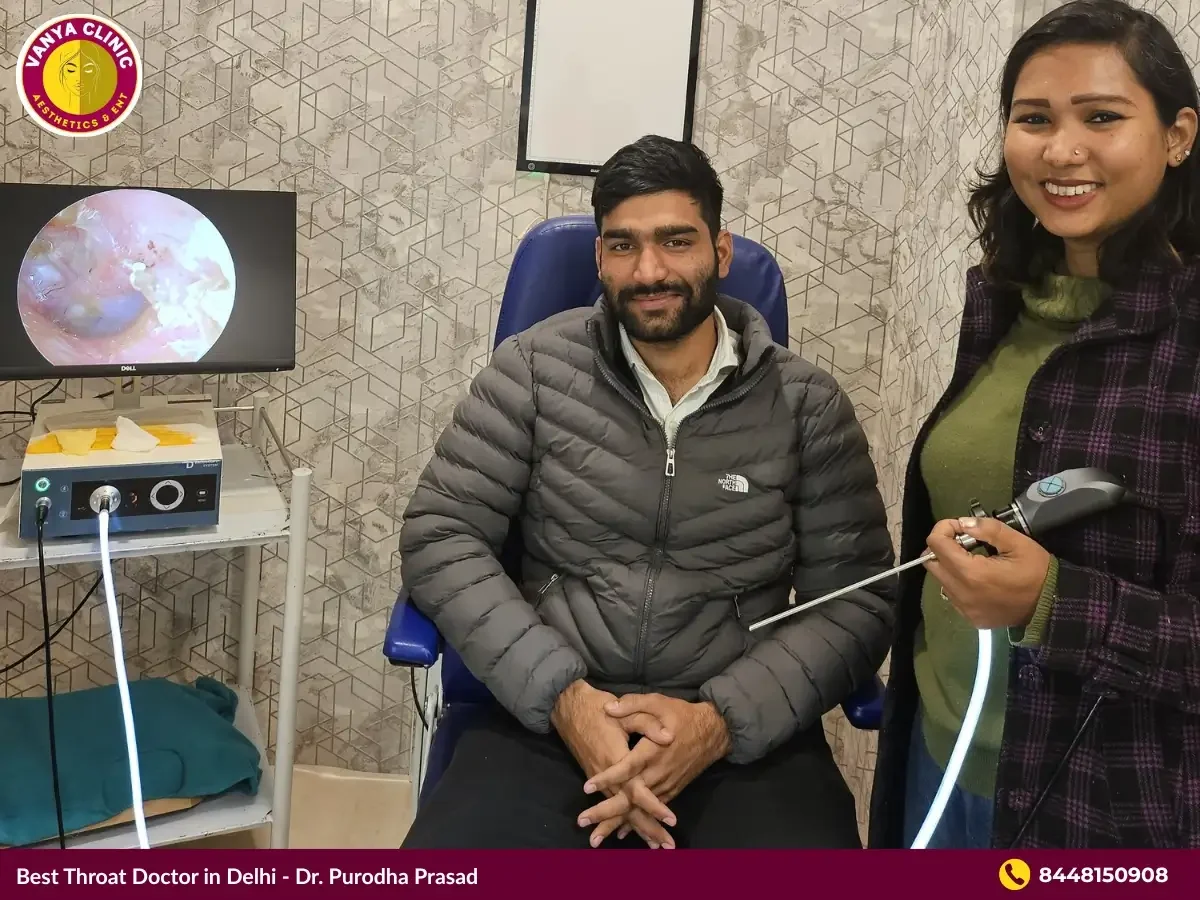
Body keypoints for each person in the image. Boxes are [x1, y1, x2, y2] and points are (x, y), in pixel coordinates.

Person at [398, 135, 896, 849]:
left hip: (734, 731)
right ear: (599, 258)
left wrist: (717, 722)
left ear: (719, 253)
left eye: (675, 241)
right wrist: (567, 701)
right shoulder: (533, 371)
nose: (650, 270)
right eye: (623, 246)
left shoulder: (808, 405)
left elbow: (857, 598)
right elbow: (440, 533)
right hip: (549, 712)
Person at [869, 0, 1200, 850]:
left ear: (1177, 135)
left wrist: (1054, 603)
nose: (1061, 151)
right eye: (1034, 119)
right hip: (936, 761)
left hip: (1097, 815)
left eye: (1102, 118)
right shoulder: (1002, 307)